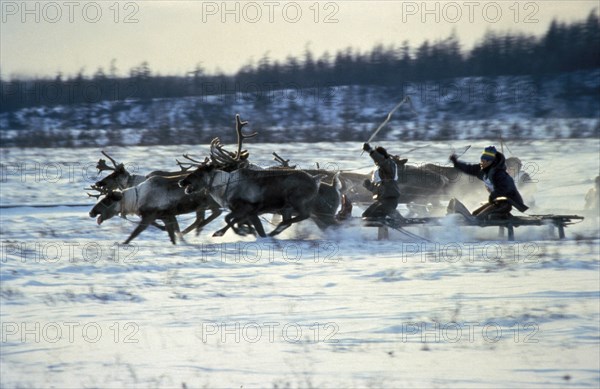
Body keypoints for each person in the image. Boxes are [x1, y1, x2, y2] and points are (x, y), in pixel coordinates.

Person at [449, 145, 528, 219]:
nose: (482, 163)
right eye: (481, 160)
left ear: (490, 162)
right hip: (496, 202)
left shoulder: (499, 173)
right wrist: (456, 163)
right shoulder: (482, 168)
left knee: (479, 218)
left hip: (505, 204)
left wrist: (493, 195)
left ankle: (502, 217)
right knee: (475, 214)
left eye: (484, 161)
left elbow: (507, 188)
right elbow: (469, 168)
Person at [361, 143, 402, 219]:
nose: (375, 160)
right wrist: (369, 185)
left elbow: (381, 160)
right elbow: (377, 188)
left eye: (377, 156)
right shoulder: (380, 170)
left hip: (389, 201)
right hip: (381, 201)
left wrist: (370, 151)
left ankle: (396, 218)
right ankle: (394, 215)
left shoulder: (389, 164)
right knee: (366, 216)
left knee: (373, 217)